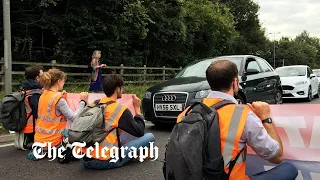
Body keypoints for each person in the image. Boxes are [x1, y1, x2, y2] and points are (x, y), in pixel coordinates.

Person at [177, 60, 298, 180]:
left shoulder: (186, 113)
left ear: (210, 83)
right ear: (235, 83)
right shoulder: (242, 115)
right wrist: (266, 118)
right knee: (289, 168)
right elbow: (276, 156)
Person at [81, 74, 155, 170]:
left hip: (85, 159)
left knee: (119, 132)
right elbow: (139, 131)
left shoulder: (93, 104)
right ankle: (133, 155)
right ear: (117, 89)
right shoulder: (119, 109)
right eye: (122, 88)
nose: (122, 90)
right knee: (150, 137)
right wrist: (137, 109)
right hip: (104, 160)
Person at [28, 69, 88, 160]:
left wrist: (60, 96)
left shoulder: (43, 95)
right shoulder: (58, 100)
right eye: (63, 81)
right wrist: (83, 101)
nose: (64, 84)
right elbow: (74, 118)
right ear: (59, 81)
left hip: (39, 140)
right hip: (53, 142)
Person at [20, 64, 44, 149]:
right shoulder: (35, 92)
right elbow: (37, 110)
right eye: (42, 75)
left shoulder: (26, 87)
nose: (44, 78)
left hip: (25, 124)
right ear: (37, 78)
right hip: (32, 127)